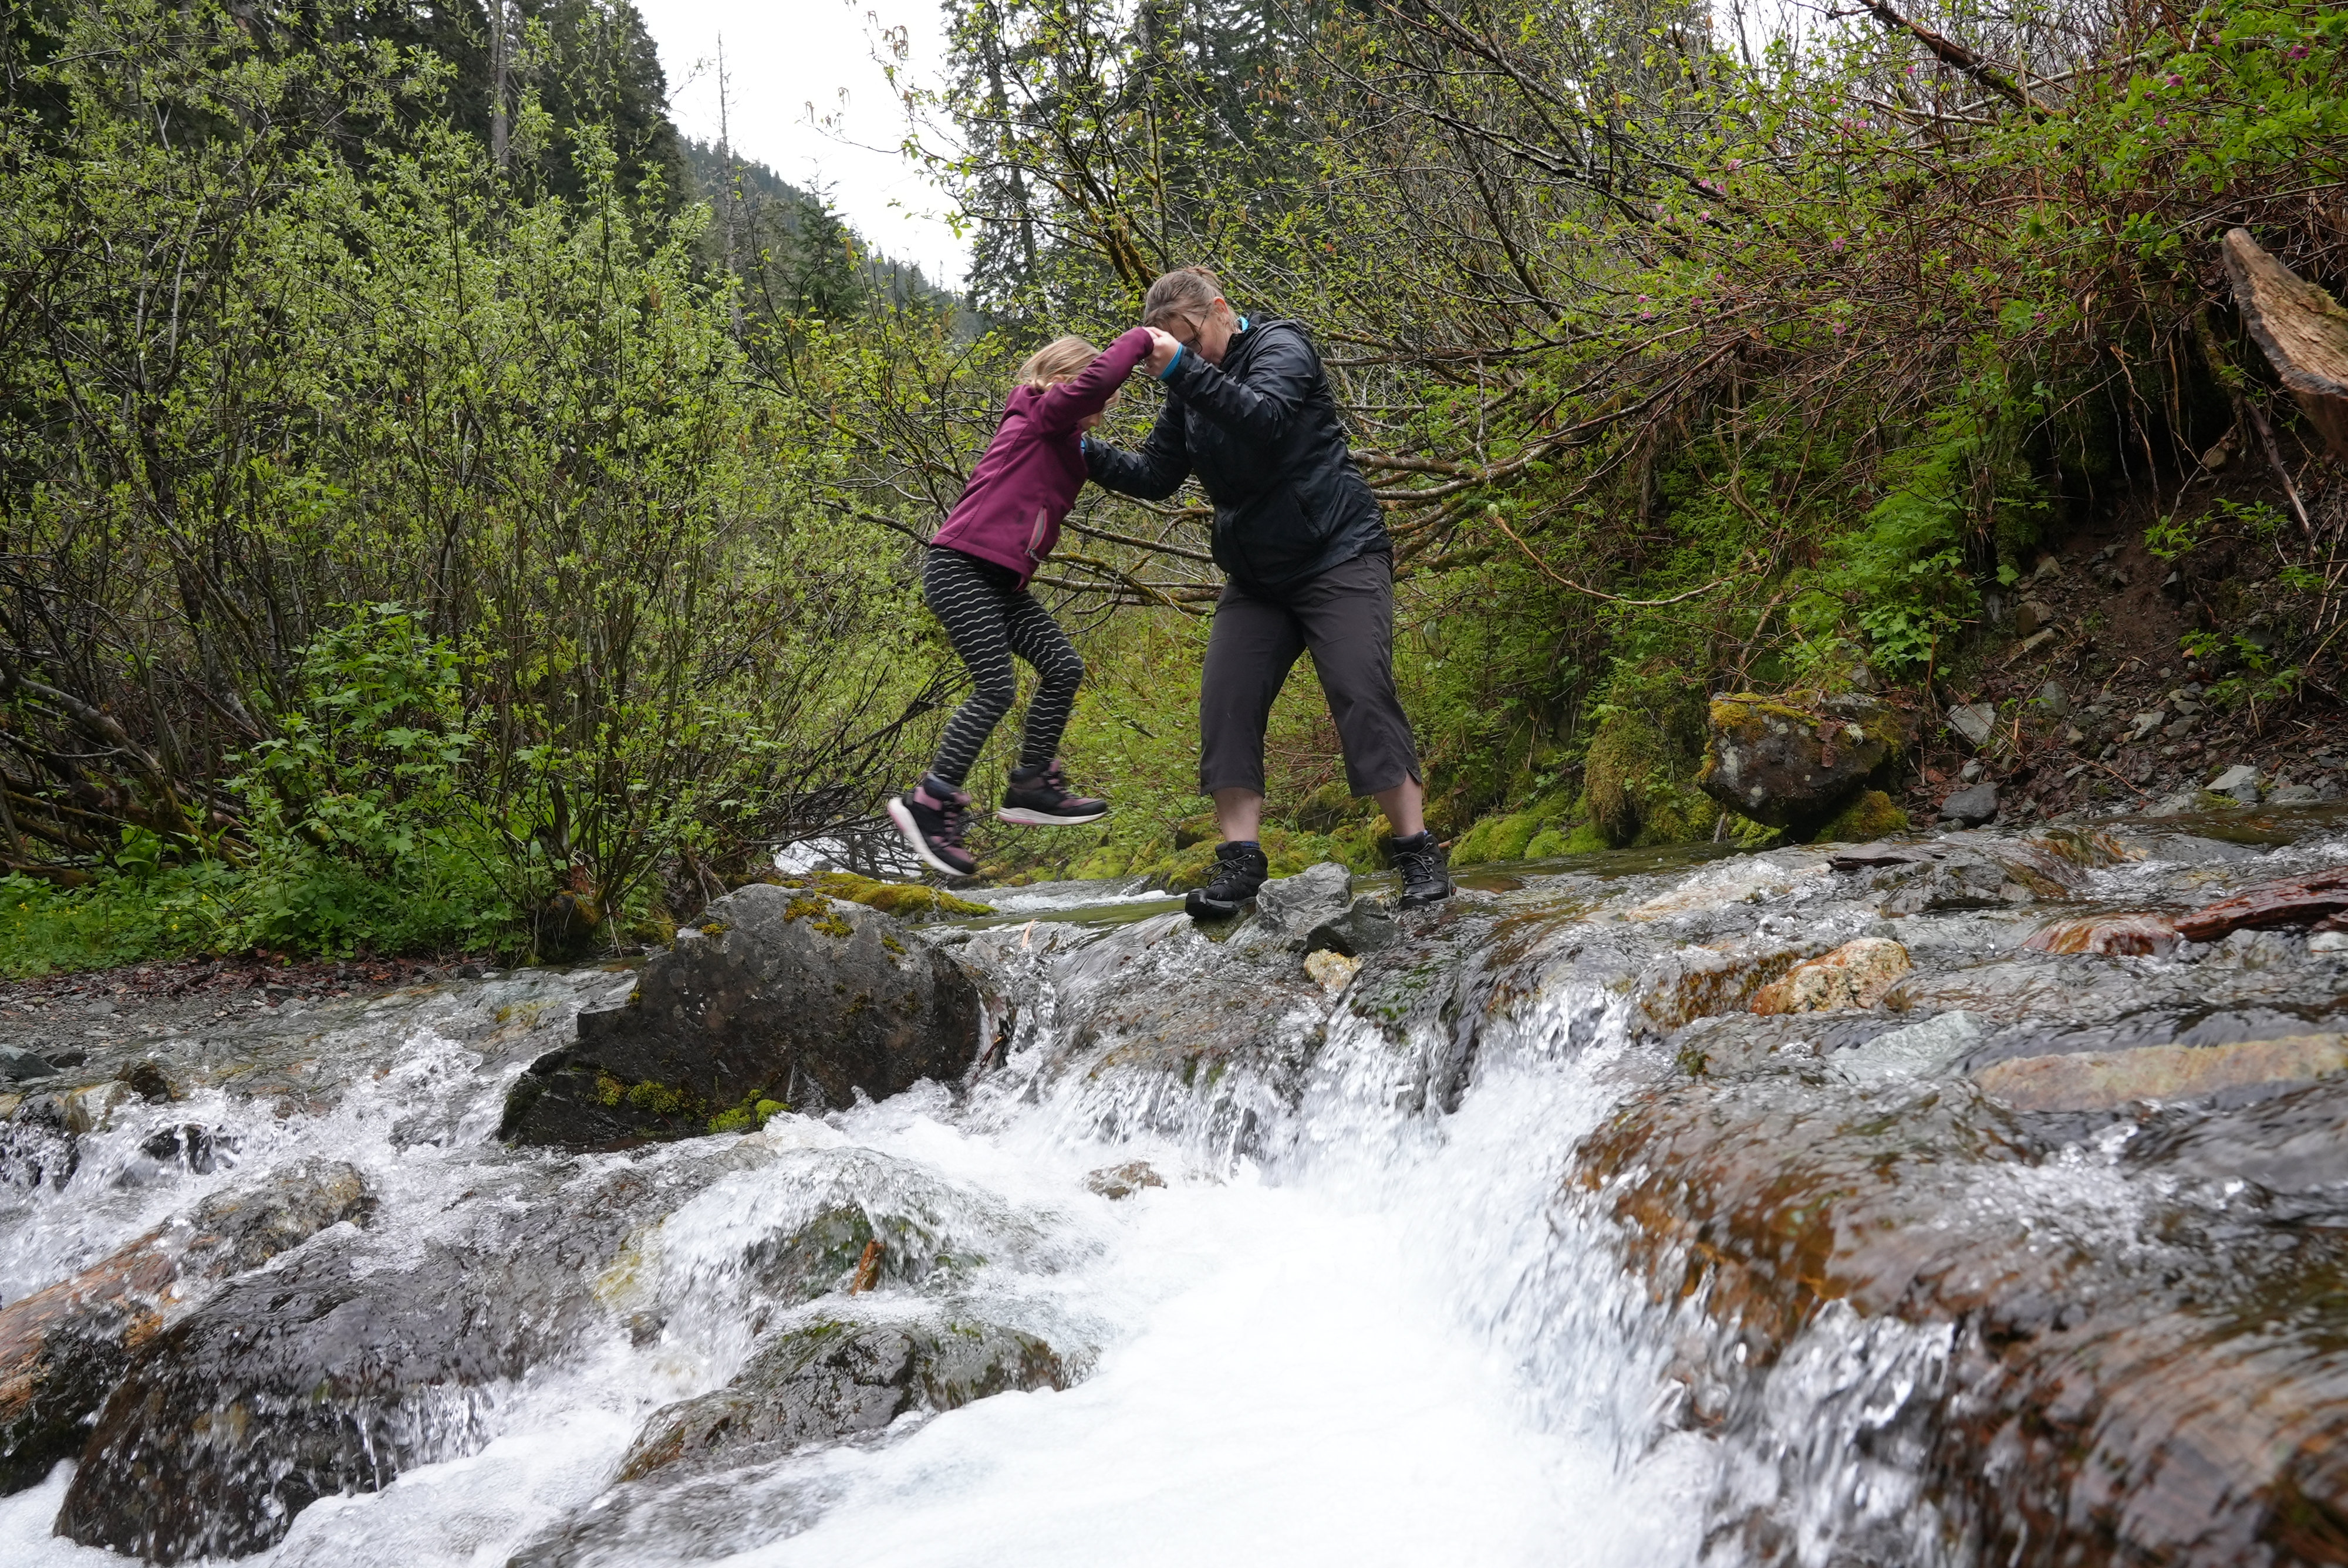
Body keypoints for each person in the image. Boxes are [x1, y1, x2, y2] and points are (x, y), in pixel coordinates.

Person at [1085, 266, 1451, 918]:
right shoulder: (1187, 388)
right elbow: (1156, 475)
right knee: (1225, 704)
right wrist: (1076, 449)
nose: (1191, 354)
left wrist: (1180, 370)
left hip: (1338, 552)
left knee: (1360, 691)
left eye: (1194, 340)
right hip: (1255, 576)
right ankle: (1240, 866)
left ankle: (1416, 850)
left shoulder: (1284, 346)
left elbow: (1266, 418)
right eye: (1178, 347)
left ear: (1221, 309)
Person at [887, 330, 1155, 877]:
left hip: (1002, 583)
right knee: (996, 687)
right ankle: (930, 801)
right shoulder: (1037, 411)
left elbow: (1148, 478)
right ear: (1066, 381)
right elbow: (1089, 388)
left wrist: (1196, 405)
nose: (1102, 410)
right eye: (1098, 399)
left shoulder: (1071, 441)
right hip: (960, 567)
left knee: (1063, 667)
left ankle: (1032, 785)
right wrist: (1144, 338)